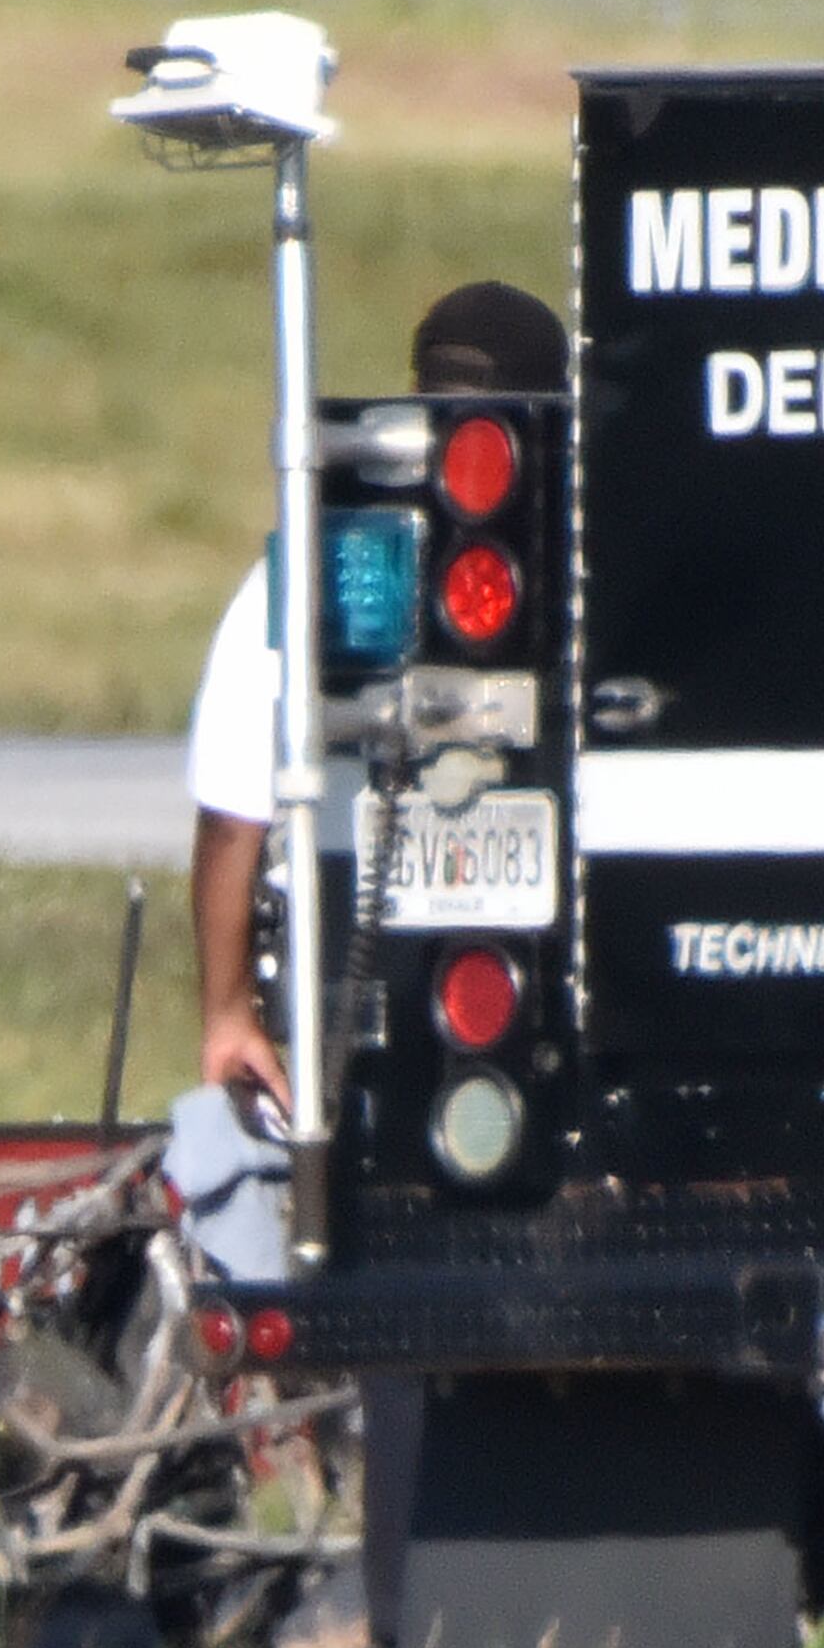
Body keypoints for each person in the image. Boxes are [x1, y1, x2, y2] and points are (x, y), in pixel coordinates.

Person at [169, 280, 570, 1270]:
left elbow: (233, 817)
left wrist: (228, 1013)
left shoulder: (311, 572)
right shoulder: (584, 571)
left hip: (360, 995)